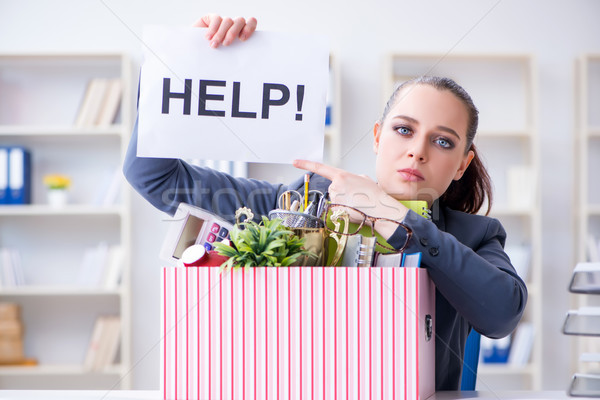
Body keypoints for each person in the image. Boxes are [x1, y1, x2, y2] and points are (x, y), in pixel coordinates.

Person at [123, 14, 527, 391]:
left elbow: (502, 314)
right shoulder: (303, 200)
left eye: (443, 142)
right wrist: (181, 65)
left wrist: (394, 215)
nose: (417, 152)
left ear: (462, 165)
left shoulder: (475, 235)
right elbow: (155, 177)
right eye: (404, 130)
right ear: (376, 136)